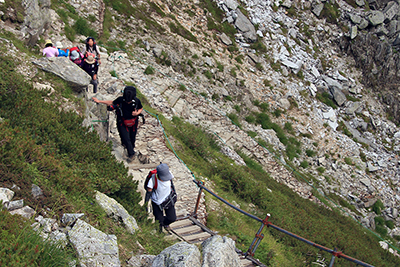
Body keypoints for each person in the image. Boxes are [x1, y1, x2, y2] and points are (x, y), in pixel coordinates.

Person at [92, 86, 143, 160]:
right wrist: (99, 101)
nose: (128, 102)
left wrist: (137, 113)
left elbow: (141, 108)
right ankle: (131, 154)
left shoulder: (136, 101)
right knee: (126, 138)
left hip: (133, 122)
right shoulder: (121, 100)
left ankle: (130, 148)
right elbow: (112, 102)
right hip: (122, 121)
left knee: (132, 137)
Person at [145, 163, 177, 231]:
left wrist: (175, 194)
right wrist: (146, 205)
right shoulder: (152, 180)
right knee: (158, 221)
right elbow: (148, 193)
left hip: (168, 200)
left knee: (172, 218)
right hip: (157, 202)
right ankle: (159, 235)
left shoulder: (169, 175)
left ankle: (165, 223)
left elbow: (172, 185)